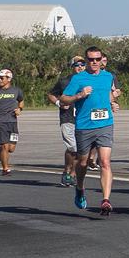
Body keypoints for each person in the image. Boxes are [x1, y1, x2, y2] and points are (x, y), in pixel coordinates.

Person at [58, 46, 118, 216]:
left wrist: (113, 102)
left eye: (98, 59)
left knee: (105, 162)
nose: (95, 62)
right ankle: (80, 187)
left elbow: (108, 94)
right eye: (91, 59)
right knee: (82, 163)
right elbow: (64, 98)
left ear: (102, 60)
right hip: (84, 126)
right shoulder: (78, 79)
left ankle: (106, 200)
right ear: (86, 61)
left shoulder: (108, 77)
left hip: (105, 124)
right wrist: (79, 96)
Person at [47, 56, 85, 187]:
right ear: (72, 67)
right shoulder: (64, 81)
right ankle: (67, 172)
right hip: (67, 118)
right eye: (77, 65)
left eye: (82, 64)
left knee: (80, 150)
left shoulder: (89, 80)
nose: (80, 67)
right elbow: (51, 94)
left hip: (83, 120)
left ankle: (72, 174)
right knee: (73, 148)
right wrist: (59, 103)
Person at [0, 69, 25, 174]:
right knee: (5, 146)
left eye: (2, 78)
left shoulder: (16, 90)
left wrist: (20, 109)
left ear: (9, 78)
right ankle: (5, 169)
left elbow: (21, 101)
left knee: (11, 148)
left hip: (12, 122)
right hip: (0, 121)